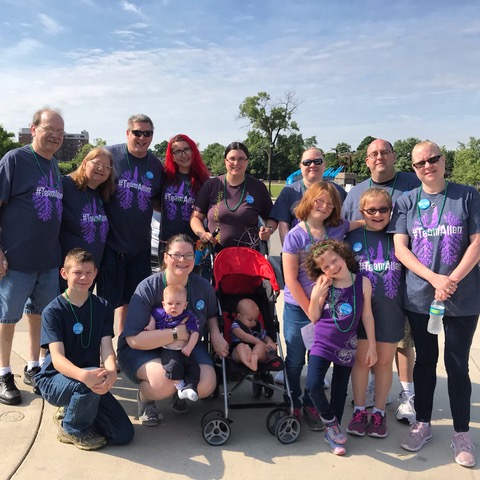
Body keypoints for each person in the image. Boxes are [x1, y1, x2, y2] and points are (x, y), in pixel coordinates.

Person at [389, 140, 480, 468]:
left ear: (443, 160)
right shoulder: (406, 201)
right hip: (420, 298)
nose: (427, 166)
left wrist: (451, 279)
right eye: (419, 163)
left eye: (433, 159)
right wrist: (435, 279)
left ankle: (460, 433)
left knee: (457, 365)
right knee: (425, 361)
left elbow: (478, 242)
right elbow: (401, 248)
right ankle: (423, 423)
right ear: (412, 169)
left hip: (463, 299)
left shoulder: (467, 195)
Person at [342, 138, 420, 420]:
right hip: (364, 290)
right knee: (366, 354)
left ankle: (407, 395)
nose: (379, 157)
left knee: (402, 344)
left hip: (400, 286)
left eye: (385, 152)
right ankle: (371, 396)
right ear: (366, 160)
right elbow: (342, 231)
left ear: (394, 156)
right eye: (373, 153)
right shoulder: (355, 194)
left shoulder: (412, 184)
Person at [117, 233, 229, 427]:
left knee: (207, 384)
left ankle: (180, 393)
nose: (182, 260)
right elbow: (134, 340)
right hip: (144, 349)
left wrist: (217, 334)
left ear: (195, 259)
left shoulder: (202, 286)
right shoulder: (148, 288)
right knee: (163, 382)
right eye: (177, 255)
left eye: (188, 255)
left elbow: (211, 314)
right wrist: (177, 333)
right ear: (166, 257)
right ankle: (146, 398)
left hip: (185, 348)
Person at [282, 181, 362, 431]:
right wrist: (309, 310)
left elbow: (361, 223)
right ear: (309, 200)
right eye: (320, 200)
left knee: (318, 359)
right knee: (295, 359)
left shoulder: (337, 228)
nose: (325, 207)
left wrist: (379, 219)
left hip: (329, 310)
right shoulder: (295, 236)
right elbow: (290, 279)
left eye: (330, 203)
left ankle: (311, 402)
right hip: (299, 308)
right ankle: (293, 398)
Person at [34, 248, 134, 450]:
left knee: (123, 434)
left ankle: (75, 410)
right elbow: (57, 358)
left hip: (90, 378)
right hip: (55, 379)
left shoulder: (102, 307)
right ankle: (71, 428)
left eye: (89, 272)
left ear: (96, 273)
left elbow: (106, 347)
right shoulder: (53, 311)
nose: (84, 277)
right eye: (77, 272)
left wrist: (112, 371)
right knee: (85, 382)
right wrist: (83, 376)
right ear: (64, 273)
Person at [0, 108, 65, 405]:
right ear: (34, 128)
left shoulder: (54, 168)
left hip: (48, 261)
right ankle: (3, 373)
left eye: (60, 132)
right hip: (16, 259)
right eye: (49, 129)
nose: (55, 136)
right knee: (8, 317)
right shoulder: (15, 159)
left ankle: (34, 366)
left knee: (39, 315)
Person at [305, 240, 377, 455]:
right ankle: (331, 423)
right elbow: (314, 317)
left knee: (339, 389)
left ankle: (332, 435)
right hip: (322, 342)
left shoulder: (362, 283)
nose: (332, 267)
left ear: (343, 255)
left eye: (334, 260)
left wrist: (372, 345)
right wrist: (317, 295)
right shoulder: (324, 284)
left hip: (347, 345)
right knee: (313, 384)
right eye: (325, 266)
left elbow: (367, 315)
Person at [345, 188, 405, 438]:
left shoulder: (399, 236)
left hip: (392, 310)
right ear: (362, 212)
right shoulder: (351, 237)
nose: (378, 214)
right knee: (361, 361)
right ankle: (360, 410)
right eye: (372, 210)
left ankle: (379, 412)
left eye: (384, 209)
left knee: (382, 364)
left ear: (391, 210)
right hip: (360, 312)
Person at [97, 114, 164, 334]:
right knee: (106, 303)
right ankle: (103, 350)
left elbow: (158, 201)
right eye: (137, 132)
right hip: (111, 244)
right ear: (127, 133)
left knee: (131, 301)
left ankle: (125, 348)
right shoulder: (109, 155)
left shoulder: (156, 165)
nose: (142, 138)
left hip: (140, 247)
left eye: (147, 133)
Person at [191, 142, 276, 251]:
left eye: (241, 159)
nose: (236, 163)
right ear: (225, 161)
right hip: (214, 255)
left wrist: (268, 230)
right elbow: (195, 218)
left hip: (247, 257)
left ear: (247, 162)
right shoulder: (211, 185)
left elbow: (271, 219)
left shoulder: (258, 187)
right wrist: (202, 234)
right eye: (232, 158)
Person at [60, 146, 115, 289]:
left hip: (90, 272)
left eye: (107, 167)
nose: (101, 169)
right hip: (68, 272)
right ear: (85, 163)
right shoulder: (66, 185)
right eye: (97, 164)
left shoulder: (102, 193)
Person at [269, 147, 347, 245]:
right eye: (307, 162)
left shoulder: (338, 191)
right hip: (299, 252)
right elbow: (283, 224)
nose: (313, 165)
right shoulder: (289, 192)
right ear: (301, 166)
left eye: (317, 161)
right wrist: (288, 251)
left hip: (331, 253)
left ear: (324, 165)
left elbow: (347, 222)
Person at [145, 284, 200, 401]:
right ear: (163, 304)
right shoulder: (159, 313)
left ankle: (190, 388)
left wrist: (189, 347)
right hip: (169, 350)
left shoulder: (188, 316)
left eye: (178, 304)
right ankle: (180, 387)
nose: (174, 307)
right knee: (173, 366)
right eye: (170, 304)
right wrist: (150, 326)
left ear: (185, 305)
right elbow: (152, 319)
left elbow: (195, 333)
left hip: (185, 350)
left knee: (194, 368)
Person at [159, 134, 210, 255]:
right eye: (177, 151)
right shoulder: (165, 177)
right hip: (167, 243)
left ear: (193, 151)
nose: (183, 155)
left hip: (193, 245)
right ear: (172, 156)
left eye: (186, 149)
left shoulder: (204, 181)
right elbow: (156, 202)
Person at [229, 298, 277, 371]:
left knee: (261, 346)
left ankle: (255, 357)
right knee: (241, 347)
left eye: (255, 319)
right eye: (250, 320)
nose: (253, 322)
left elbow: (265, 337)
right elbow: (243, 336)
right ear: (239, 316)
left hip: (255, 350)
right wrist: (258, 341)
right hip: (239, 351)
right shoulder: (236, 325)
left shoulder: (257, 327)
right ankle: (248, 362)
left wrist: (269, 342)